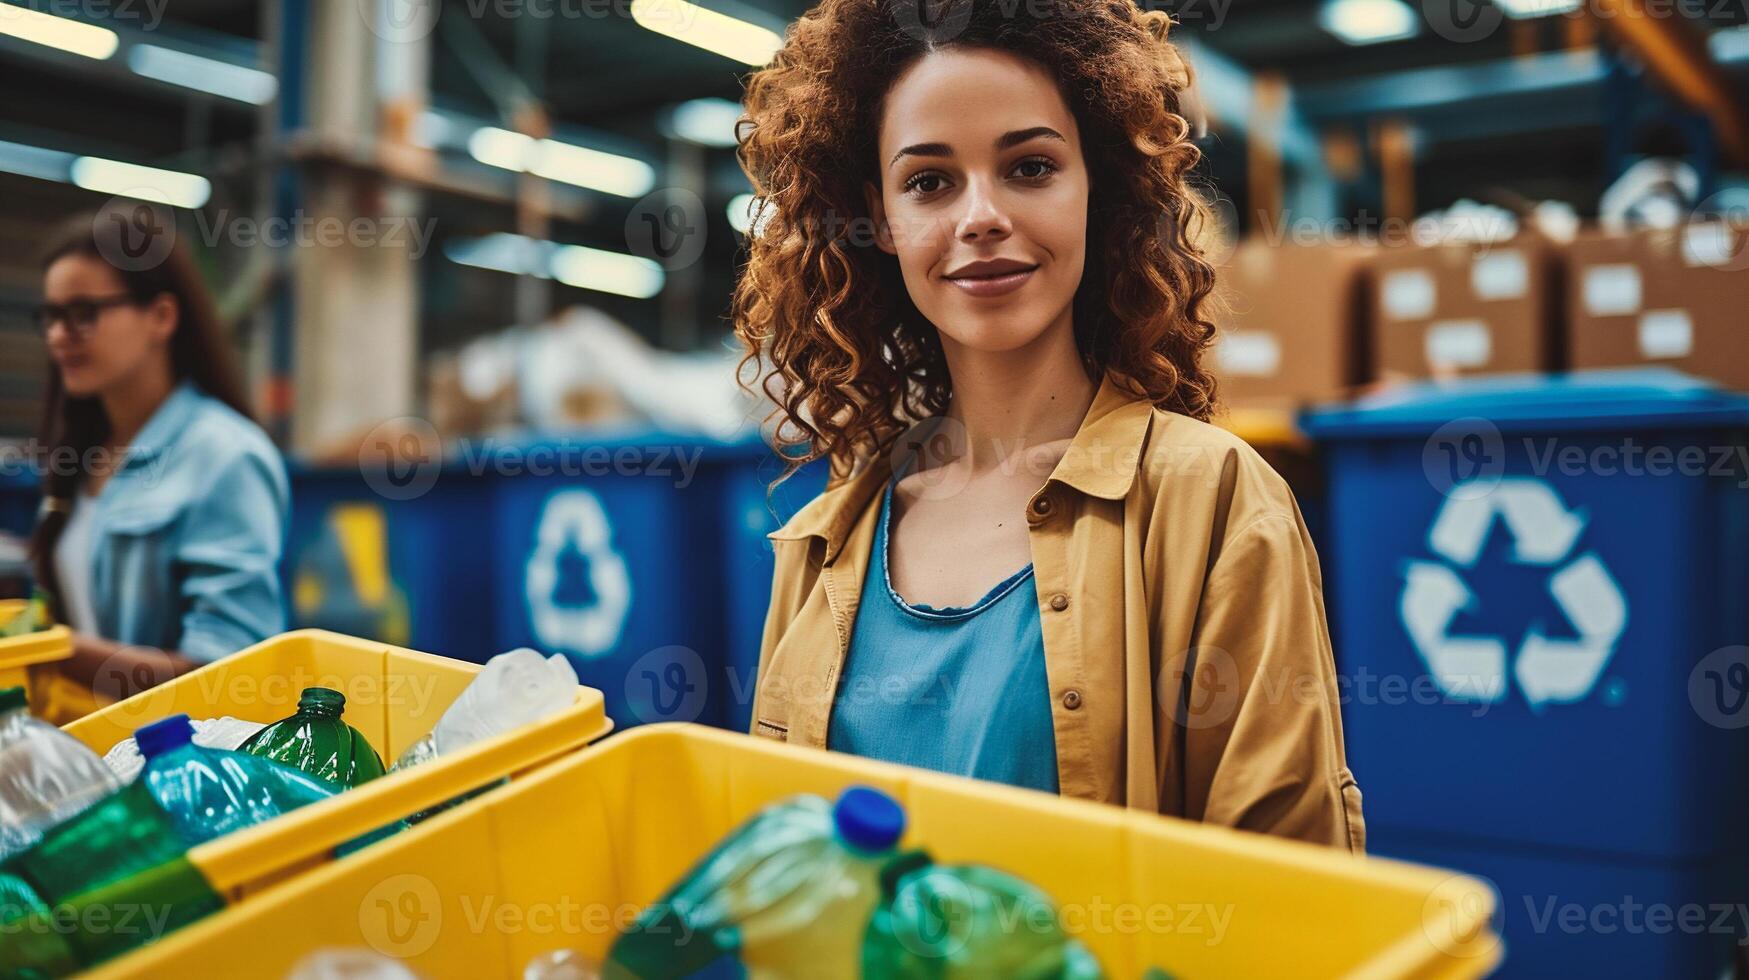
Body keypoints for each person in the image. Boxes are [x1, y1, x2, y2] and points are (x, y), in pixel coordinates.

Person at [734, 0, 1364, 851]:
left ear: (1094, 190)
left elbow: (1290, 889)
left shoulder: (1209, 502)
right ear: (879, 222)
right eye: (928, 181)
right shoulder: (822, 545)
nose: (980, 215)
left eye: (1029, 167)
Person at [29, 208, 288, 700]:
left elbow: (228, 676)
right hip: (94, 747)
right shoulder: (85, 452)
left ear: (162, 317)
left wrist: (55, 649)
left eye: (84, 313)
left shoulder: (226, 457)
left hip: (182, 764)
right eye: (52, 316)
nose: (60, 335)